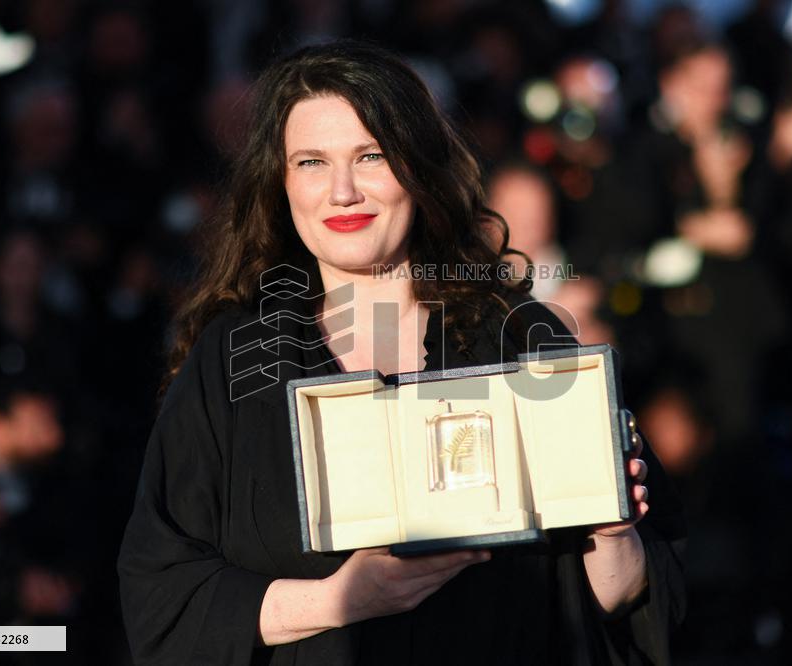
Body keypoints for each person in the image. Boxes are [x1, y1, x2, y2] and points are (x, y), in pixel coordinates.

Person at [118, 41, 685, 665]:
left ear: (418, 169)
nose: (342, 191)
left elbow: (625, 604)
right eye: (311, 162)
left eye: (371, 155)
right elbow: (162, 596)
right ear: (279, 184)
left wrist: (611, 530)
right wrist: (340, 601)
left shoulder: (523, 339)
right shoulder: (232, 359)